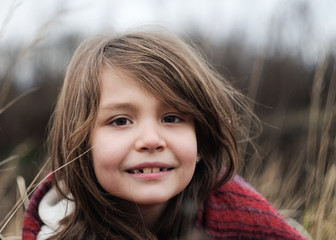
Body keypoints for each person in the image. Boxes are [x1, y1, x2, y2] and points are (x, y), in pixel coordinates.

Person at [22, 29, 307, 240]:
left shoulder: (243, 218)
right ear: (82, 142)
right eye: (120, 121)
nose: (150, 140)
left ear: (201, 138)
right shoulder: (54, 228)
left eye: (172, 118)